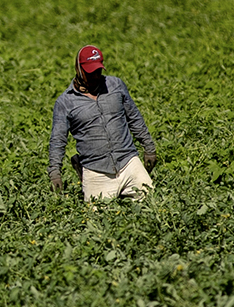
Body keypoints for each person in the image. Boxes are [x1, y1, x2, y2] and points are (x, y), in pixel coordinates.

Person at [49, 46, 157, 200]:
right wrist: (55, 174)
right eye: (90, 72)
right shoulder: (65, 102)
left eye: (98, 71)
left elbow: (134, 117)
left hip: (127, 161)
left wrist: (149, 148)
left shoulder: (116, 86)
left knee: (152, 202)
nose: (95, 76)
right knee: (98, 219)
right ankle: (82, 170)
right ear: (79, 70)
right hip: (96, 170)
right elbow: (58, 140)